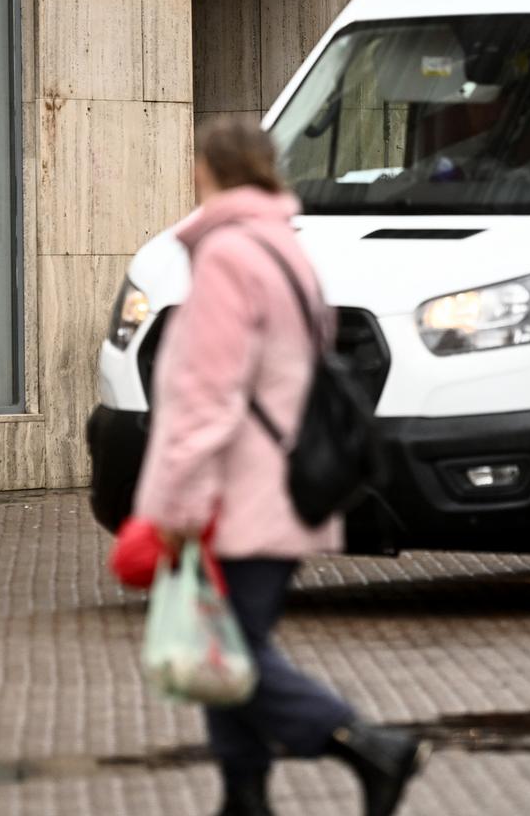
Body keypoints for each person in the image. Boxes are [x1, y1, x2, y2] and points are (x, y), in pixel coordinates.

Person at [132, 119, 427, 816]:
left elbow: (208, 394)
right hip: (283, 486)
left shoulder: (229, 257)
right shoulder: (286, 250)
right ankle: (243, 796)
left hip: (238, 494)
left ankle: (367, 744)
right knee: (226, 644)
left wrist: (176, 506)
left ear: (208, 170)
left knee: (231, 654)